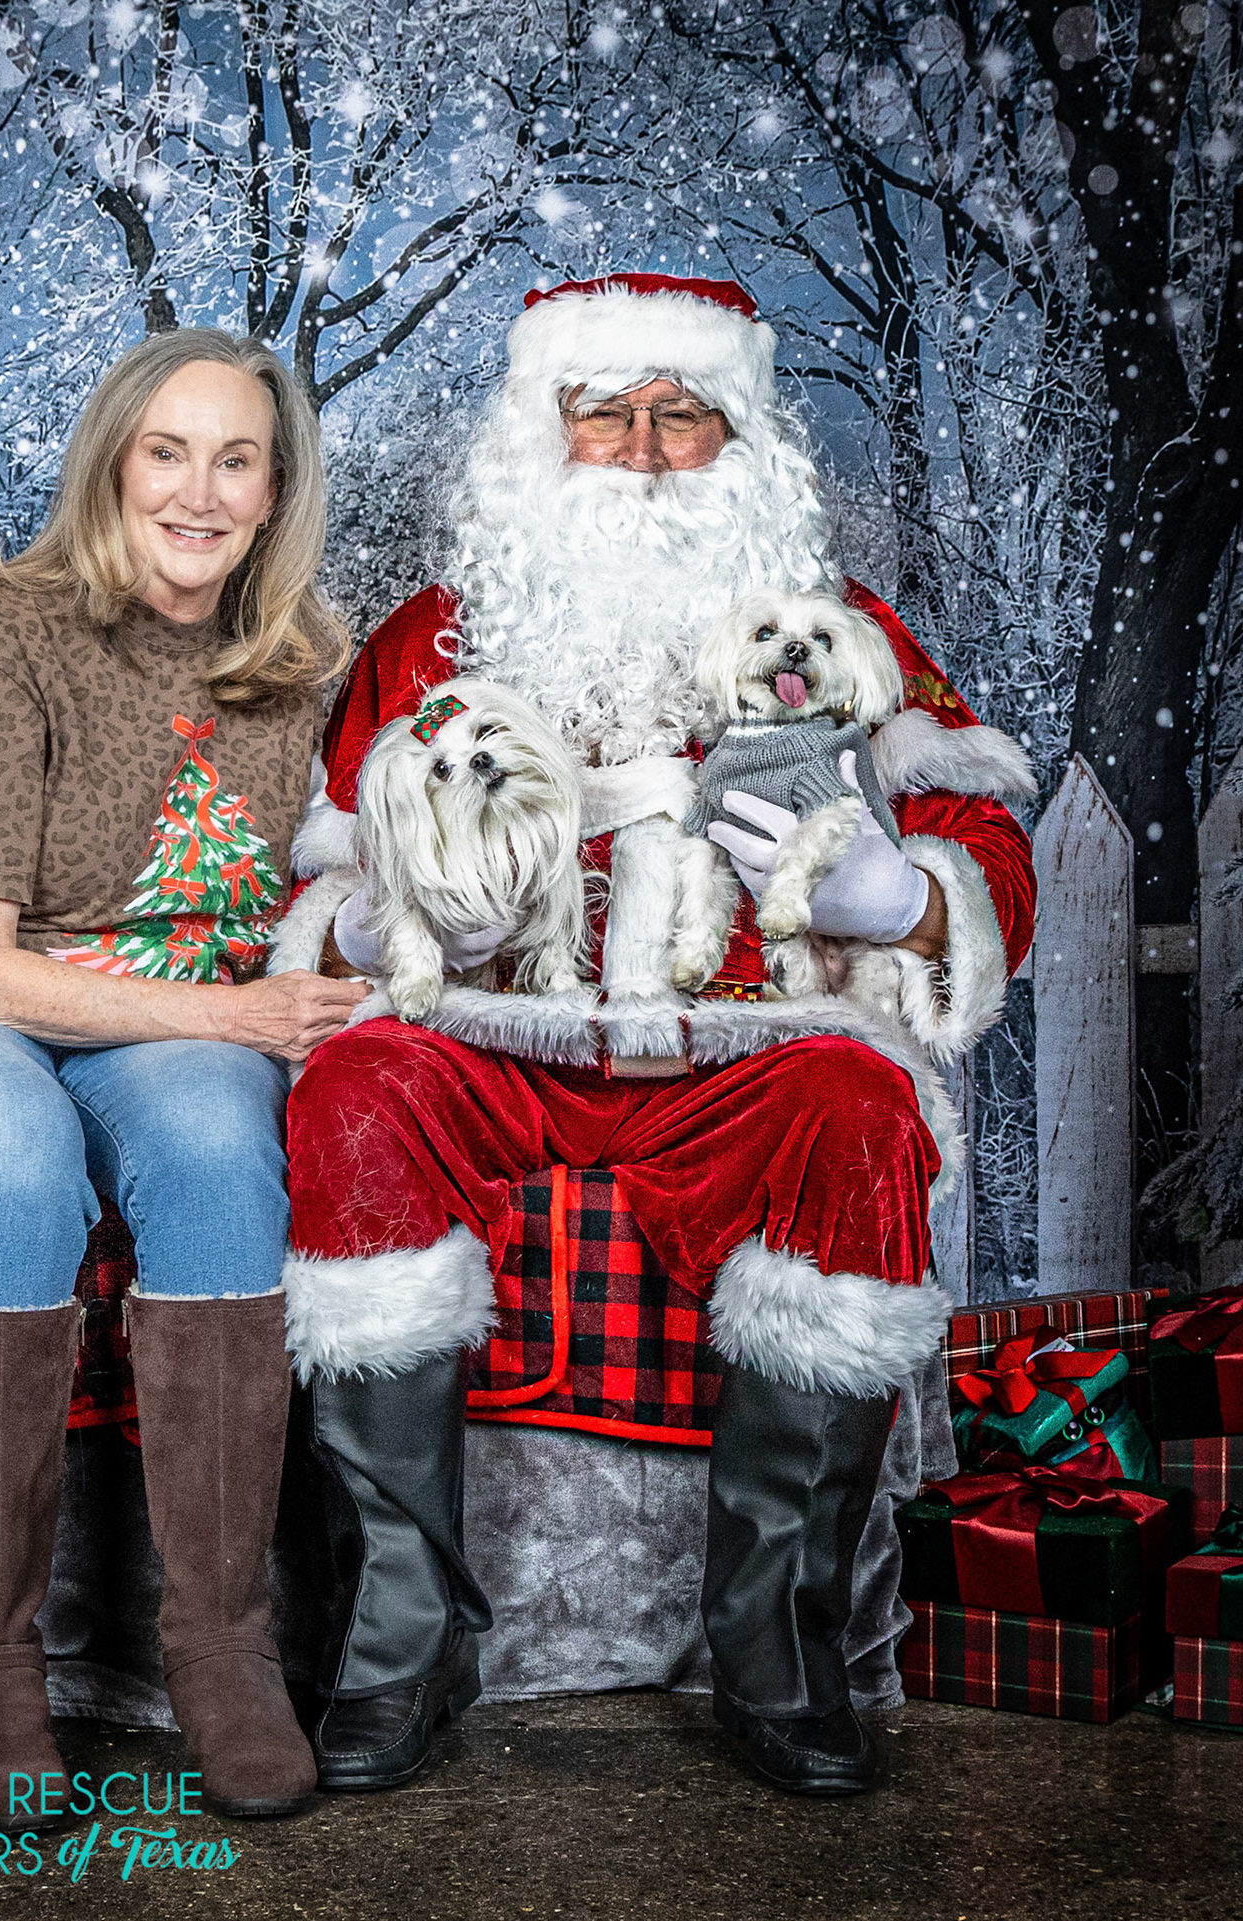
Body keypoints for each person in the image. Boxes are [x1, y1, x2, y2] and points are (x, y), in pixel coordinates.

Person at [272, 274, 1036, 1797]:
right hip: (495, 1037)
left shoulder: (840, 635)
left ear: (739, 437)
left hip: (749, 1051)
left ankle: (779, 1647)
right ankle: (401, 1643)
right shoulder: (433, 640)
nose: (639, 449)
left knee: (861, 1111)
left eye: (682, 414)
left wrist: (906, 903)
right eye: (604, 412)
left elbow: (985, 843)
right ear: (540, 431)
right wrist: (372, 925)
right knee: (358, 1087)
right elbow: (328, 860)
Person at [0, 329, 369, 1825]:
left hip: (163, 1030)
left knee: (220, 1152)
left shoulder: (302, 672)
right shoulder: (8, 633)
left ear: (275, 491)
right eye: (166, 452)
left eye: (236, 460)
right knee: (10, 1146)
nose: (198, 492)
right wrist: (239, 1014)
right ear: (114, 463)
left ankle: (223, 1648)